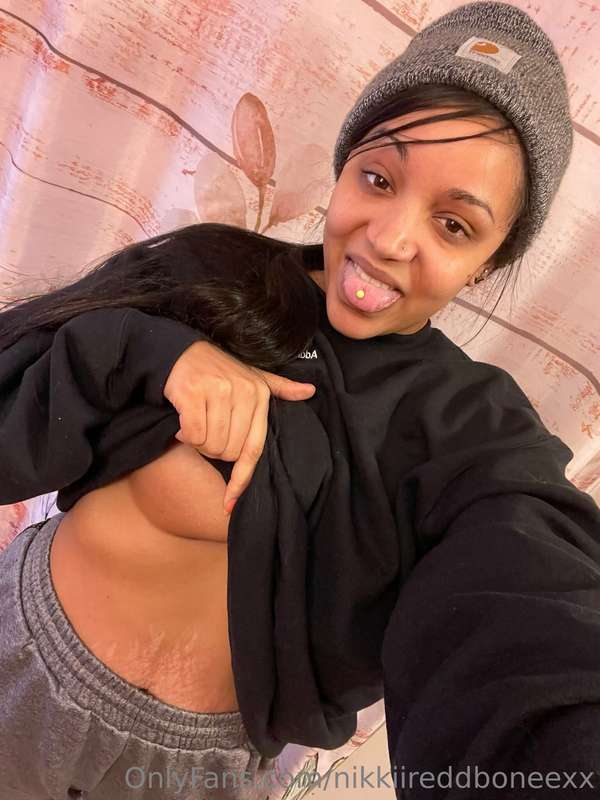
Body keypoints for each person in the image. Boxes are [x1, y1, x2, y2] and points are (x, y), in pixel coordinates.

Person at [1, 3, 600, 799]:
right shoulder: (209, 273)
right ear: (346, 164)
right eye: (379, 179)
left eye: (454, 225)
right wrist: (146, 354)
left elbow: (529, 601)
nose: (389, 239)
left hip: (195, 778)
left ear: (488, 262)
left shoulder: (472, 428)